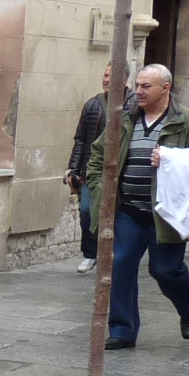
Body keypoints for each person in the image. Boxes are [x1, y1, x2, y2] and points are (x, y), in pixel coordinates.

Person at [85, 63, 189, 349]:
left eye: (146, 86)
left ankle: (188, 307)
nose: (138, 91)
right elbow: (97, 154)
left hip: (167, 212)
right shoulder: (125, 119)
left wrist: (172, 157)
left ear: (165, 88)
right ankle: (122, 330)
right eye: (137, 85)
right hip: (128, 210)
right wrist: (98, 187)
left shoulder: (187, 121)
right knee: (120, 265)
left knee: (165, 270)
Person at [66, 66, 113, 272]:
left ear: (124, 79)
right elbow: (80, 139)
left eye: (111, 76)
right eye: (105, 75)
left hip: (120, 172)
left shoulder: (133, 105)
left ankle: (113, 254)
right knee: (86, 211)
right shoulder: (92, 105)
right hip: (91, 171)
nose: (106, 80)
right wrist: (73, 169)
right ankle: (90, 254)